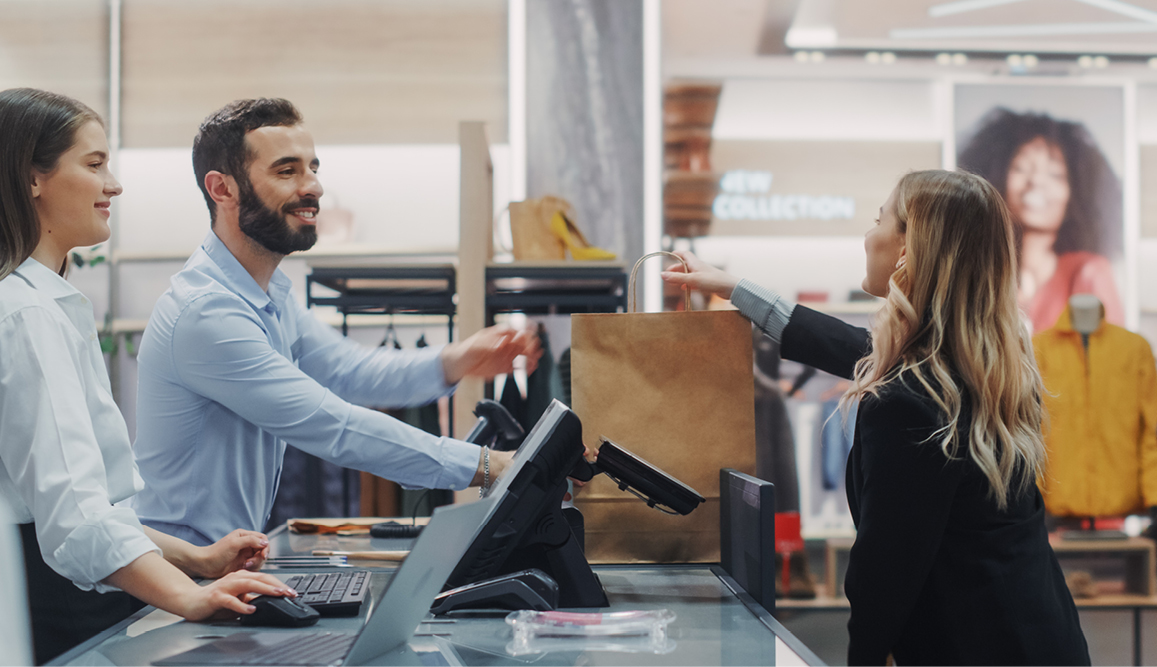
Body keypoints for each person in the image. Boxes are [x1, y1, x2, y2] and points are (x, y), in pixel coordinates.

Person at [663, 170, 1089, 665]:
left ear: (909, 248)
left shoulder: (911, 402)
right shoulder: (986, 372)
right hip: (1040, 640)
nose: (868, 235)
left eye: (878, 219)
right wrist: (737, 289)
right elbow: (854, 348)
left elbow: (884, 578)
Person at [131, 98, 540, 546]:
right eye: (287, 171)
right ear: (222, 189)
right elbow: (335, 427)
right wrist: (488, 466)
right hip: (177, 578)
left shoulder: (267, 296)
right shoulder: (206, 314)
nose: (313, 187)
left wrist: (454, 361)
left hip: (225, 564)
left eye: (313, 168)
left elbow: (350, 371)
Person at [0, 88, 296, 665]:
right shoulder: (27, 314)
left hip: (63, 587)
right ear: (31, 178)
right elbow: (71, 515)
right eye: (94, 164)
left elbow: (94, 505)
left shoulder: (45, 304)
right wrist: (192, 596)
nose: (113, 184)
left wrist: (196, 559)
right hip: (54, 609)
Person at [957, 107, 1123, 332]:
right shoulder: (973, 274)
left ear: (1075, 193)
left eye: (1055, 174)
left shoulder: (1089, 273)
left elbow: (1112, 359)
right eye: (1020, 168)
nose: (1035, 181)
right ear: (994, 178)